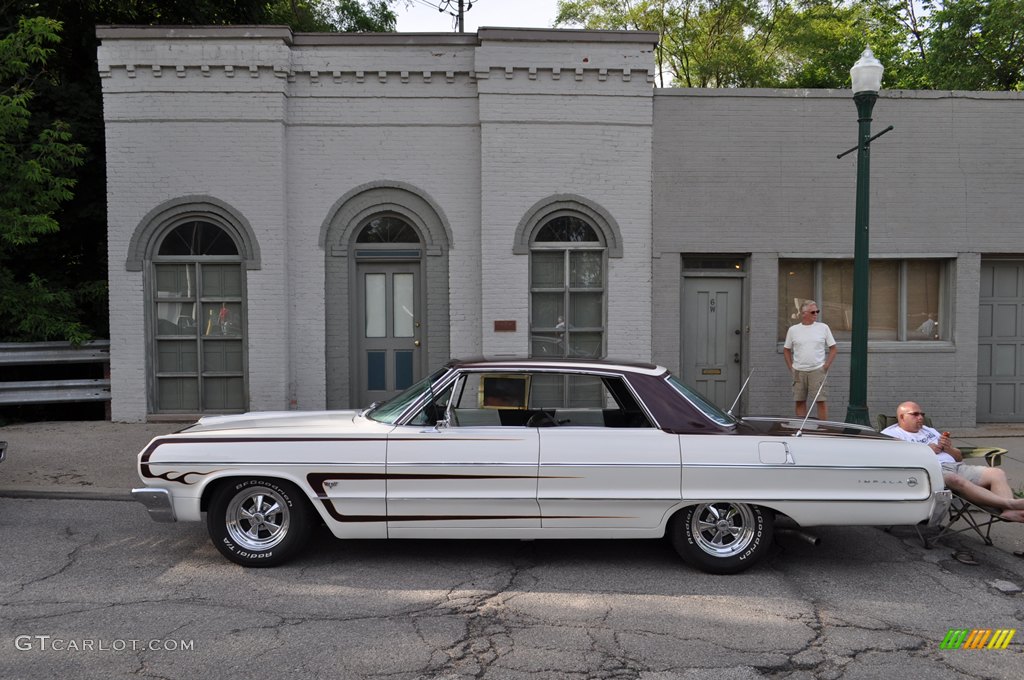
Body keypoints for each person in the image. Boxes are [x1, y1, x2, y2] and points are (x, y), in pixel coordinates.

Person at [882, 401, 1024, 522]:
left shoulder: (929, 430)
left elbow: (959, 457)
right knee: (956, 480)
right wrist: (925, 450)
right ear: (901, 417)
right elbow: (895, 459)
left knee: (996, 473)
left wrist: (948, 448)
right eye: (915, 414)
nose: (920, 418)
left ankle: (1007, 511)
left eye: (922, 414)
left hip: (956, 466)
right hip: (932, 473)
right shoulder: (891, 435)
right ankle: (1010, 504)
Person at [783, 300, 838, 420]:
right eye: (813, 312)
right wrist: (791, 367)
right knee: (800, 401)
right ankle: (803, 428)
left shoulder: (823, 328)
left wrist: (826, 365)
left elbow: (833, 348)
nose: (816, 314)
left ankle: (823, 430)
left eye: (817, 311)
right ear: (803, 313)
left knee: (821, 401)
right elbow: (786, 349)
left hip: (817, 370)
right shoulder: (793, 330)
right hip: (798, 371)